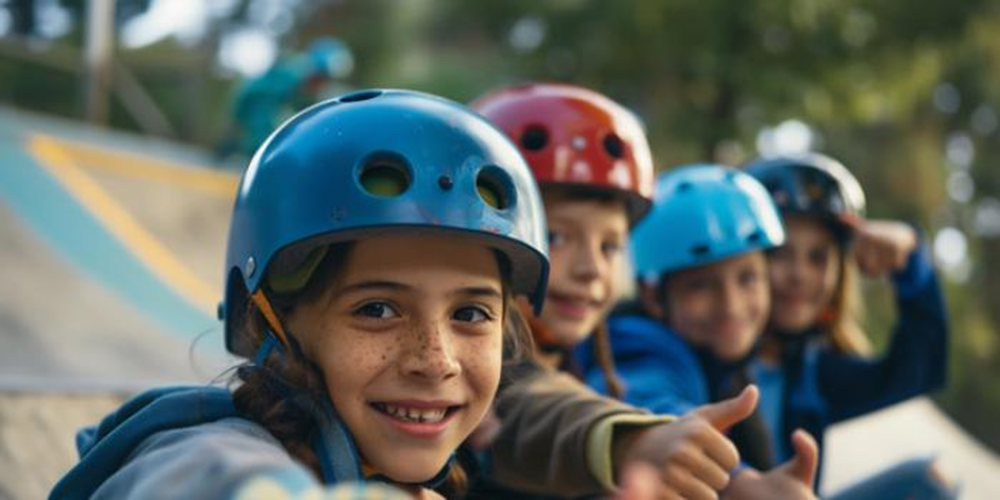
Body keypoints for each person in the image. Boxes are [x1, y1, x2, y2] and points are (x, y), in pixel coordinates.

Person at [51, 88, 549, 499]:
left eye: (470, 312)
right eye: (377, 309)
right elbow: (198, 475)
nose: (434, 361)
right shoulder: (209, 445)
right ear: (271, 321)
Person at [577, 164, 819, 498]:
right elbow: (643, 403)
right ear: (654, 297)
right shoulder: (640, 347)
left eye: (747, 278)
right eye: (700, 286)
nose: (731, 306)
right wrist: (742, 483)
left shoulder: (738, 361)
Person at [744, 153, 955, 499]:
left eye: (818, 257)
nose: (799, 274)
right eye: (780, 253)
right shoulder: (707, 350)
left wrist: (912, 263)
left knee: (927, 484)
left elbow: (919, 370)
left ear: (840, 273)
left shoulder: (813, 372)